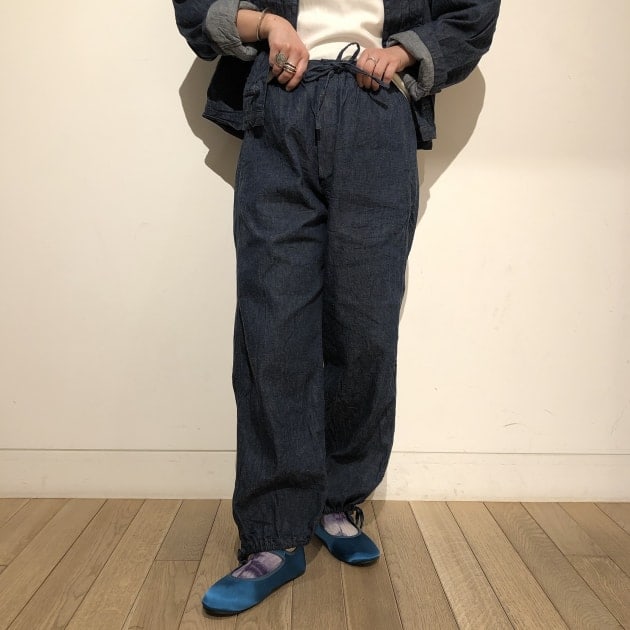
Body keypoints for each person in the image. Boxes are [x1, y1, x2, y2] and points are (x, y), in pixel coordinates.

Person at [173, 0, 500, 615]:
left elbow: (473, 12)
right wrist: (268, 25)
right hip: (280, 96)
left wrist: (404, 52)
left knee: (364, 325)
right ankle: (274, 534)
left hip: (377, 108)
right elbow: (195, 6)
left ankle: (336, 498)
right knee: (273, 328)